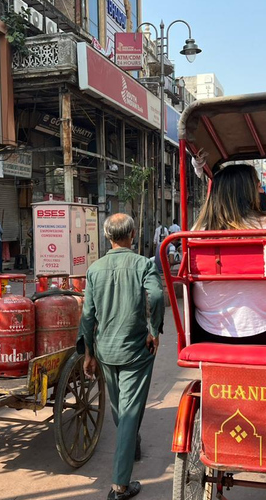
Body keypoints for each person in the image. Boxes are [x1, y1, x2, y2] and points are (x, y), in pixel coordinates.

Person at [77, 213, 164, 500]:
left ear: (107, 236)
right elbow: (158, 297)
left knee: (120, 407)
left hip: (105, 350)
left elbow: (88, 316)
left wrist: (89, 352)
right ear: (133, 234)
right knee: (127, 413)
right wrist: (154, 330)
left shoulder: (95, 269)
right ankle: (120, 485)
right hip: (136, 350)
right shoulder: (142, 264)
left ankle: (132, 441)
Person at [192, 164, 266, 344]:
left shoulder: (198, 232)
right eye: (259, 186)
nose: (263, 191)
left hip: (209, 328)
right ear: (248, 192)